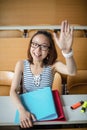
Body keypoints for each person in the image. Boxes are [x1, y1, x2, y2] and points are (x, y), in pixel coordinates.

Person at [10, 20, 77, 128]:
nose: (38, 50)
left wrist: (67, 52)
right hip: (27, 109)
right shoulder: (21, 64)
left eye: (44, 46)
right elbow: (13, 91)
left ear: (49, 50)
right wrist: (22, 111)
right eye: (35, 44)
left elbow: (72, 71)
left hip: (47, 111)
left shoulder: (53, 65)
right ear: (30, 45)